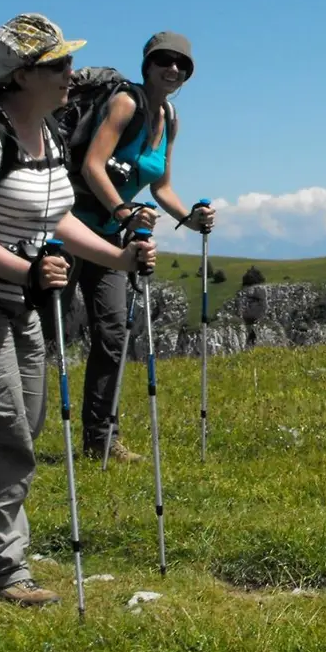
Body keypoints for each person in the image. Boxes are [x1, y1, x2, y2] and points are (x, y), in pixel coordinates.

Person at [0, 14, 155, 606]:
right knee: (3, 429)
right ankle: (2, 575)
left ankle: (2, 564)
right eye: (57, 65)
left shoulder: (47, 133)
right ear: (22, 74)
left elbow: (56, 218)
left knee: (22, 424)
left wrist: (120, 259)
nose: (70, 74)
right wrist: (27, 270)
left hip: (17, 298)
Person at [69, 31, 214, 462]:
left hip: (113, 234)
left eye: (182, 65)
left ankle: (101, 441)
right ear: (147, 64)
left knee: (114, 332)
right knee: (39, 329)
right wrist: (123, 212)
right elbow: (93, 165)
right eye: (164, 61)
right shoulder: (126, 103)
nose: (173, 69)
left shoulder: (169, 118)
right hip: (69, 226)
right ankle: (3, 428)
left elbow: (161, 185)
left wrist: (187, 217)